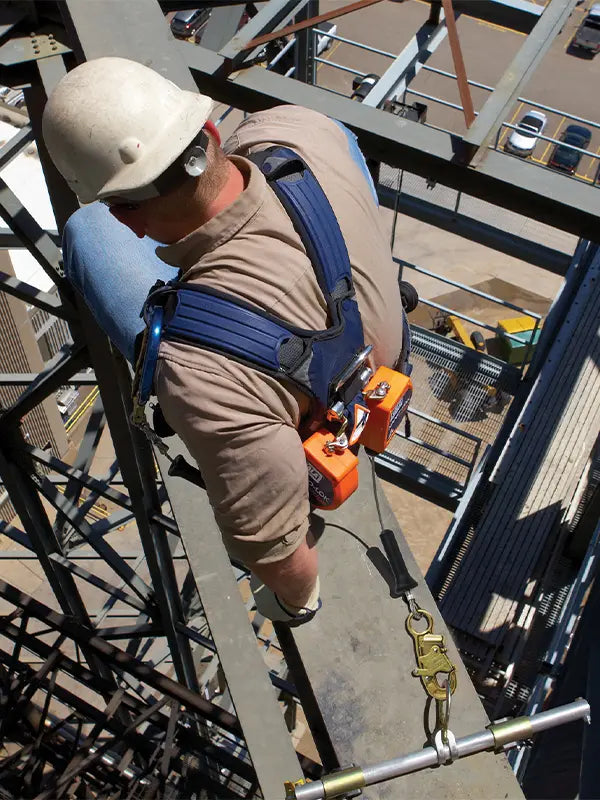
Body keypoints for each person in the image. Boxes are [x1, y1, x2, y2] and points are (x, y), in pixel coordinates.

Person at [42, 57, 407, 624]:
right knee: (331, 132)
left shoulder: (197, 372)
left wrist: (292, 601)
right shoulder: (294, 127)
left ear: (128, 216)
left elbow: (284, 558)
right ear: (209, 130)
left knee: (85, 231)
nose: (127, 226)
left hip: (301, 408)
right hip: (384, 354)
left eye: (121, 210)